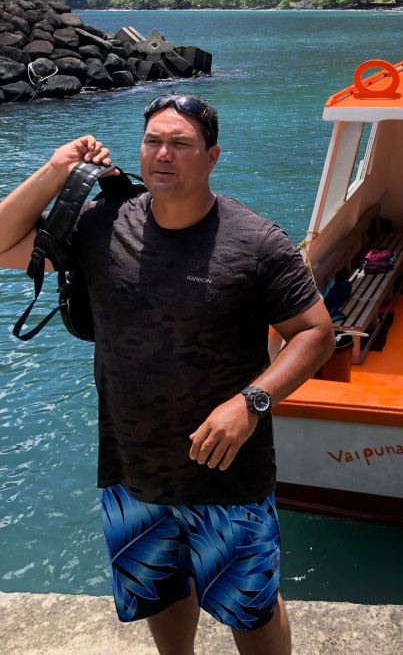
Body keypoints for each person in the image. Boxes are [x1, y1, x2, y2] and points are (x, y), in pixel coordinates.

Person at [0, 93, 335, 655]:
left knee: (250, 611)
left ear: (212, 156)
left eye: (180, 144)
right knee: (160, 593)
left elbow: (315, 332)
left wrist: (250, 403)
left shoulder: (256, 242)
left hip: (226, 472)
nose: (163, 155)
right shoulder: (100, 227)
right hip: (134, 467)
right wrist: (57, 169)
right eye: (153, 141)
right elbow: (4, 242)